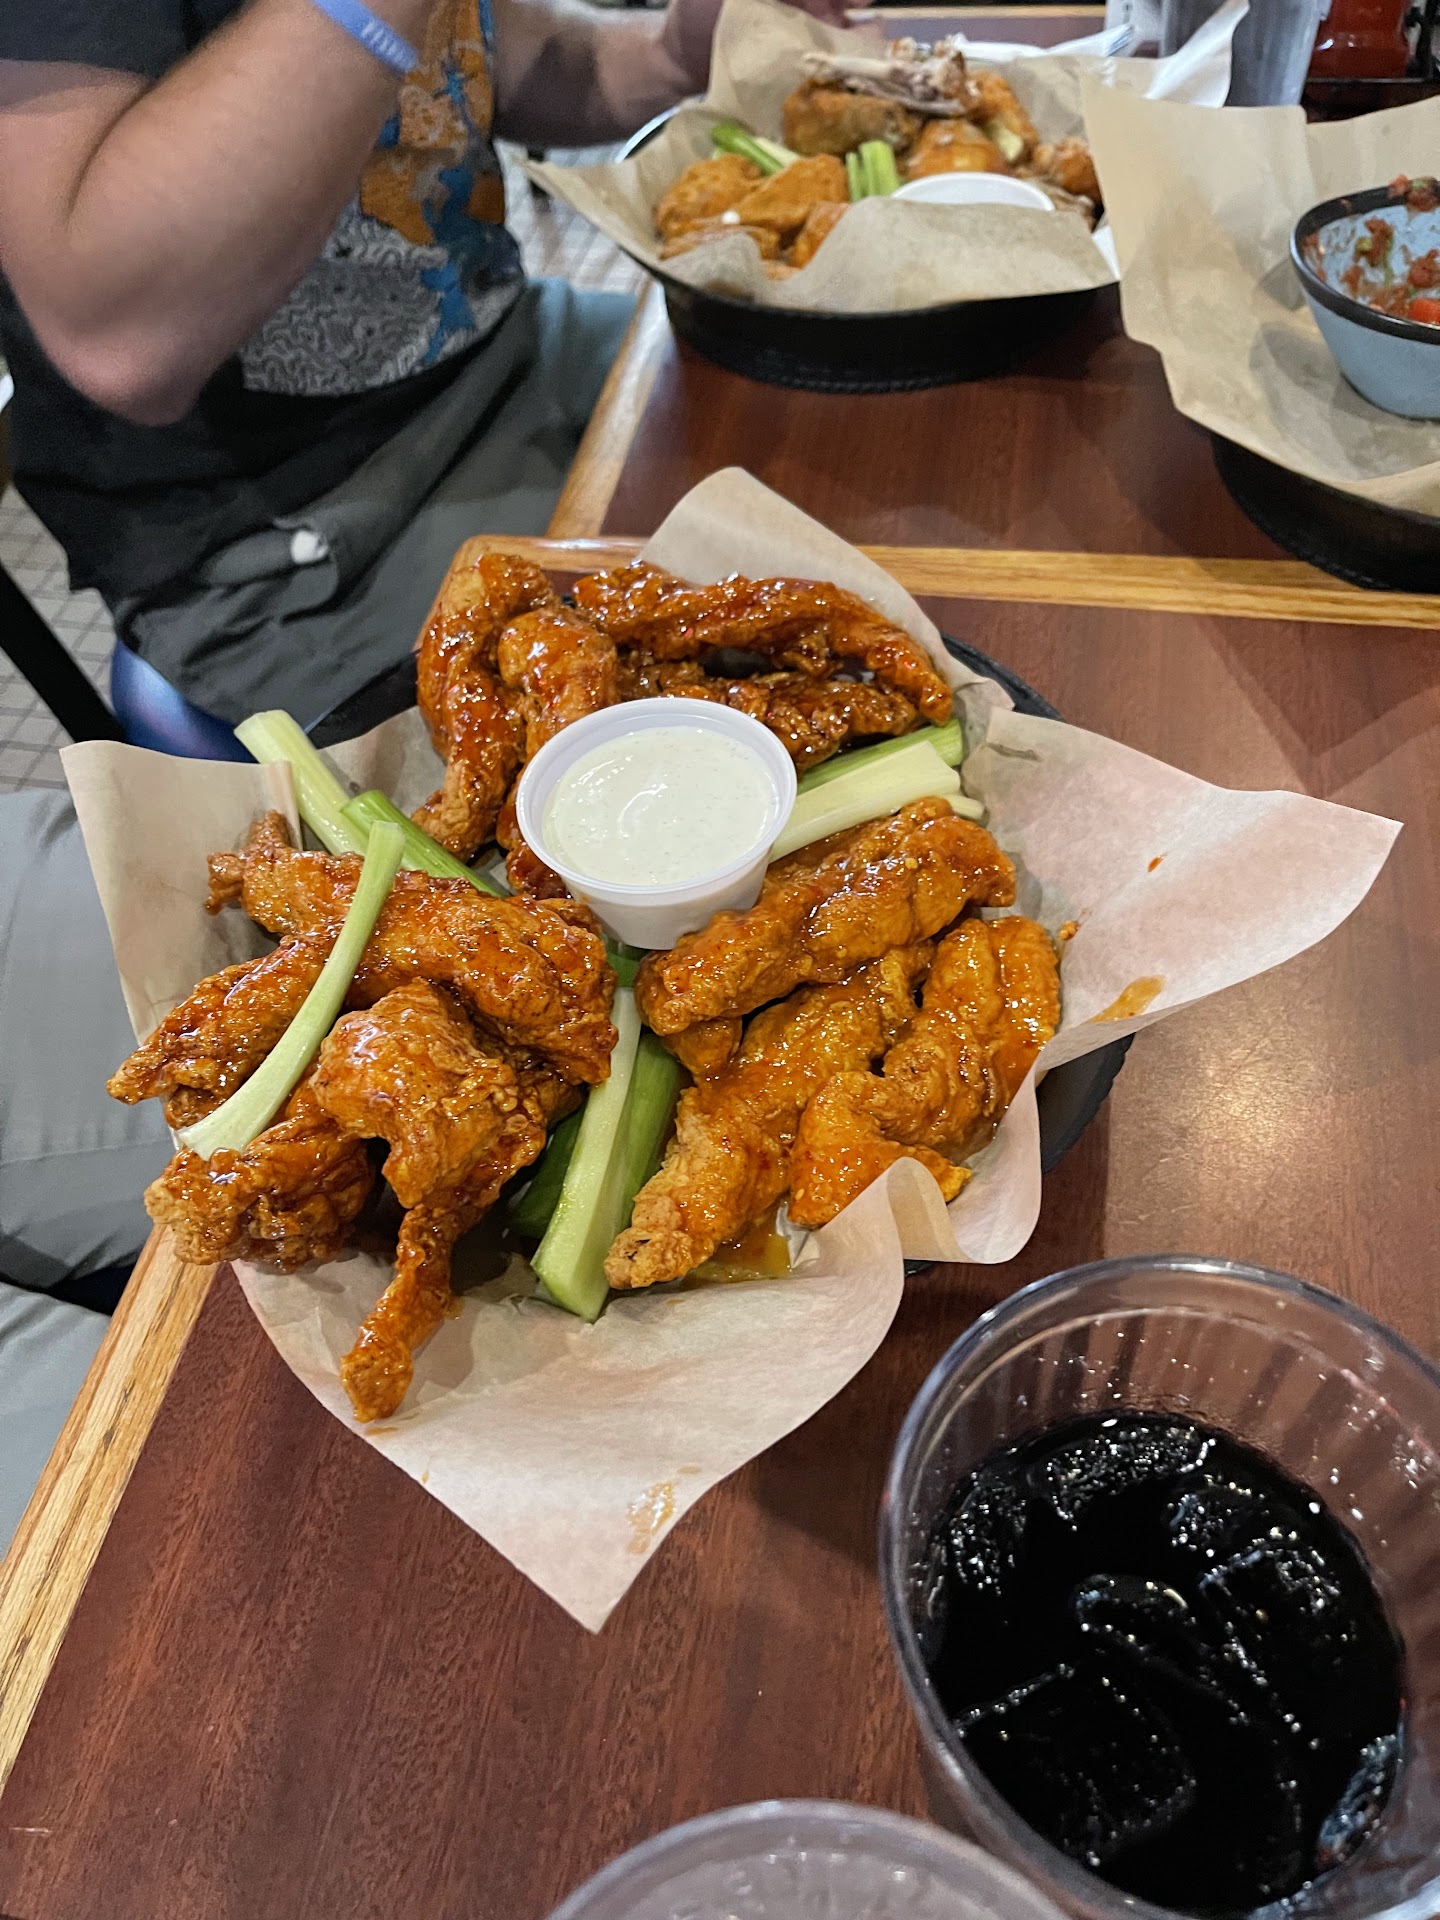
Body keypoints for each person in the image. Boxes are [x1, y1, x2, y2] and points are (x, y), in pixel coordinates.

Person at [0, 0, 841, 1433]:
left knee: (840, 487)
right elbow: (115, 328)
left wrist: (675, 50)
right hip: (294, 528)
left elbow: (503, 63)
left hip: (517, 355)